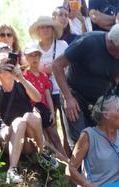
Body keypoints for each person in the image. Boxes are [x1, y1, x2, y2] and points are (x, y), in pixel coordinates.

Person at [53, 23, 119, 146]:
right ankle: (78, 164)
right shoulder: (88, 42)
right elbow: (56, 65)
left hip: (102, 100)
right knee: (80, 140)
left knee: (111, 136)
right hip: (75, 94)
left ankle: (116, 163)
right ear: (111, 43)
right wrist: (68, 98)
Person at [0, 50, 52, 184]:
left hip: (29, 141)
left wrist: (22, 78)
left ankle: (42, 153)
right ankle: (12, 170)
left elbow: (37, 97)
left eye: (9, 63)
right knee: (19, 122)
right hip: (9, 137)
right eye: (3, 64)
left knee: (30, 116)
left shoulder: (22, 84)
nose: (7, 66)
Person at [30, 16, 68, 152]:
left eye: (48, 27)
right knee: (50, 126)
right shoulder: (32, 48)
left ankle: (71, 158)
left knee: (66, 125)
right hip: (41, 93)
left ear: (53, 29)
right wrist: (52, 68)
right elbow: (29, 69)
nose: (45, 30)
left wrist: (48, 69)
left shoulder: (62, 45)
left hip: (62, 89)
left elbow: (69, 65)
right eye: (42, 27)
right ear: (38, 31)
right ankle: (58, 157)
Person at [22, 43, 67, 161]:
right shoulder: (24, 75)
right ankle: (57, 160)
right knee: (43, 138)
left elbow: (47, 95)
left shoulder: (43, 75)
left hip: (44, 108)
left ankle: (67, 160)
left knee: (55, 136)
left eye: (36, 55)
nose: (34, 58)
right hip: (33, 108)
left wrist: (52, 112)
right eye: (31, 55)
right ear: (26, 58)